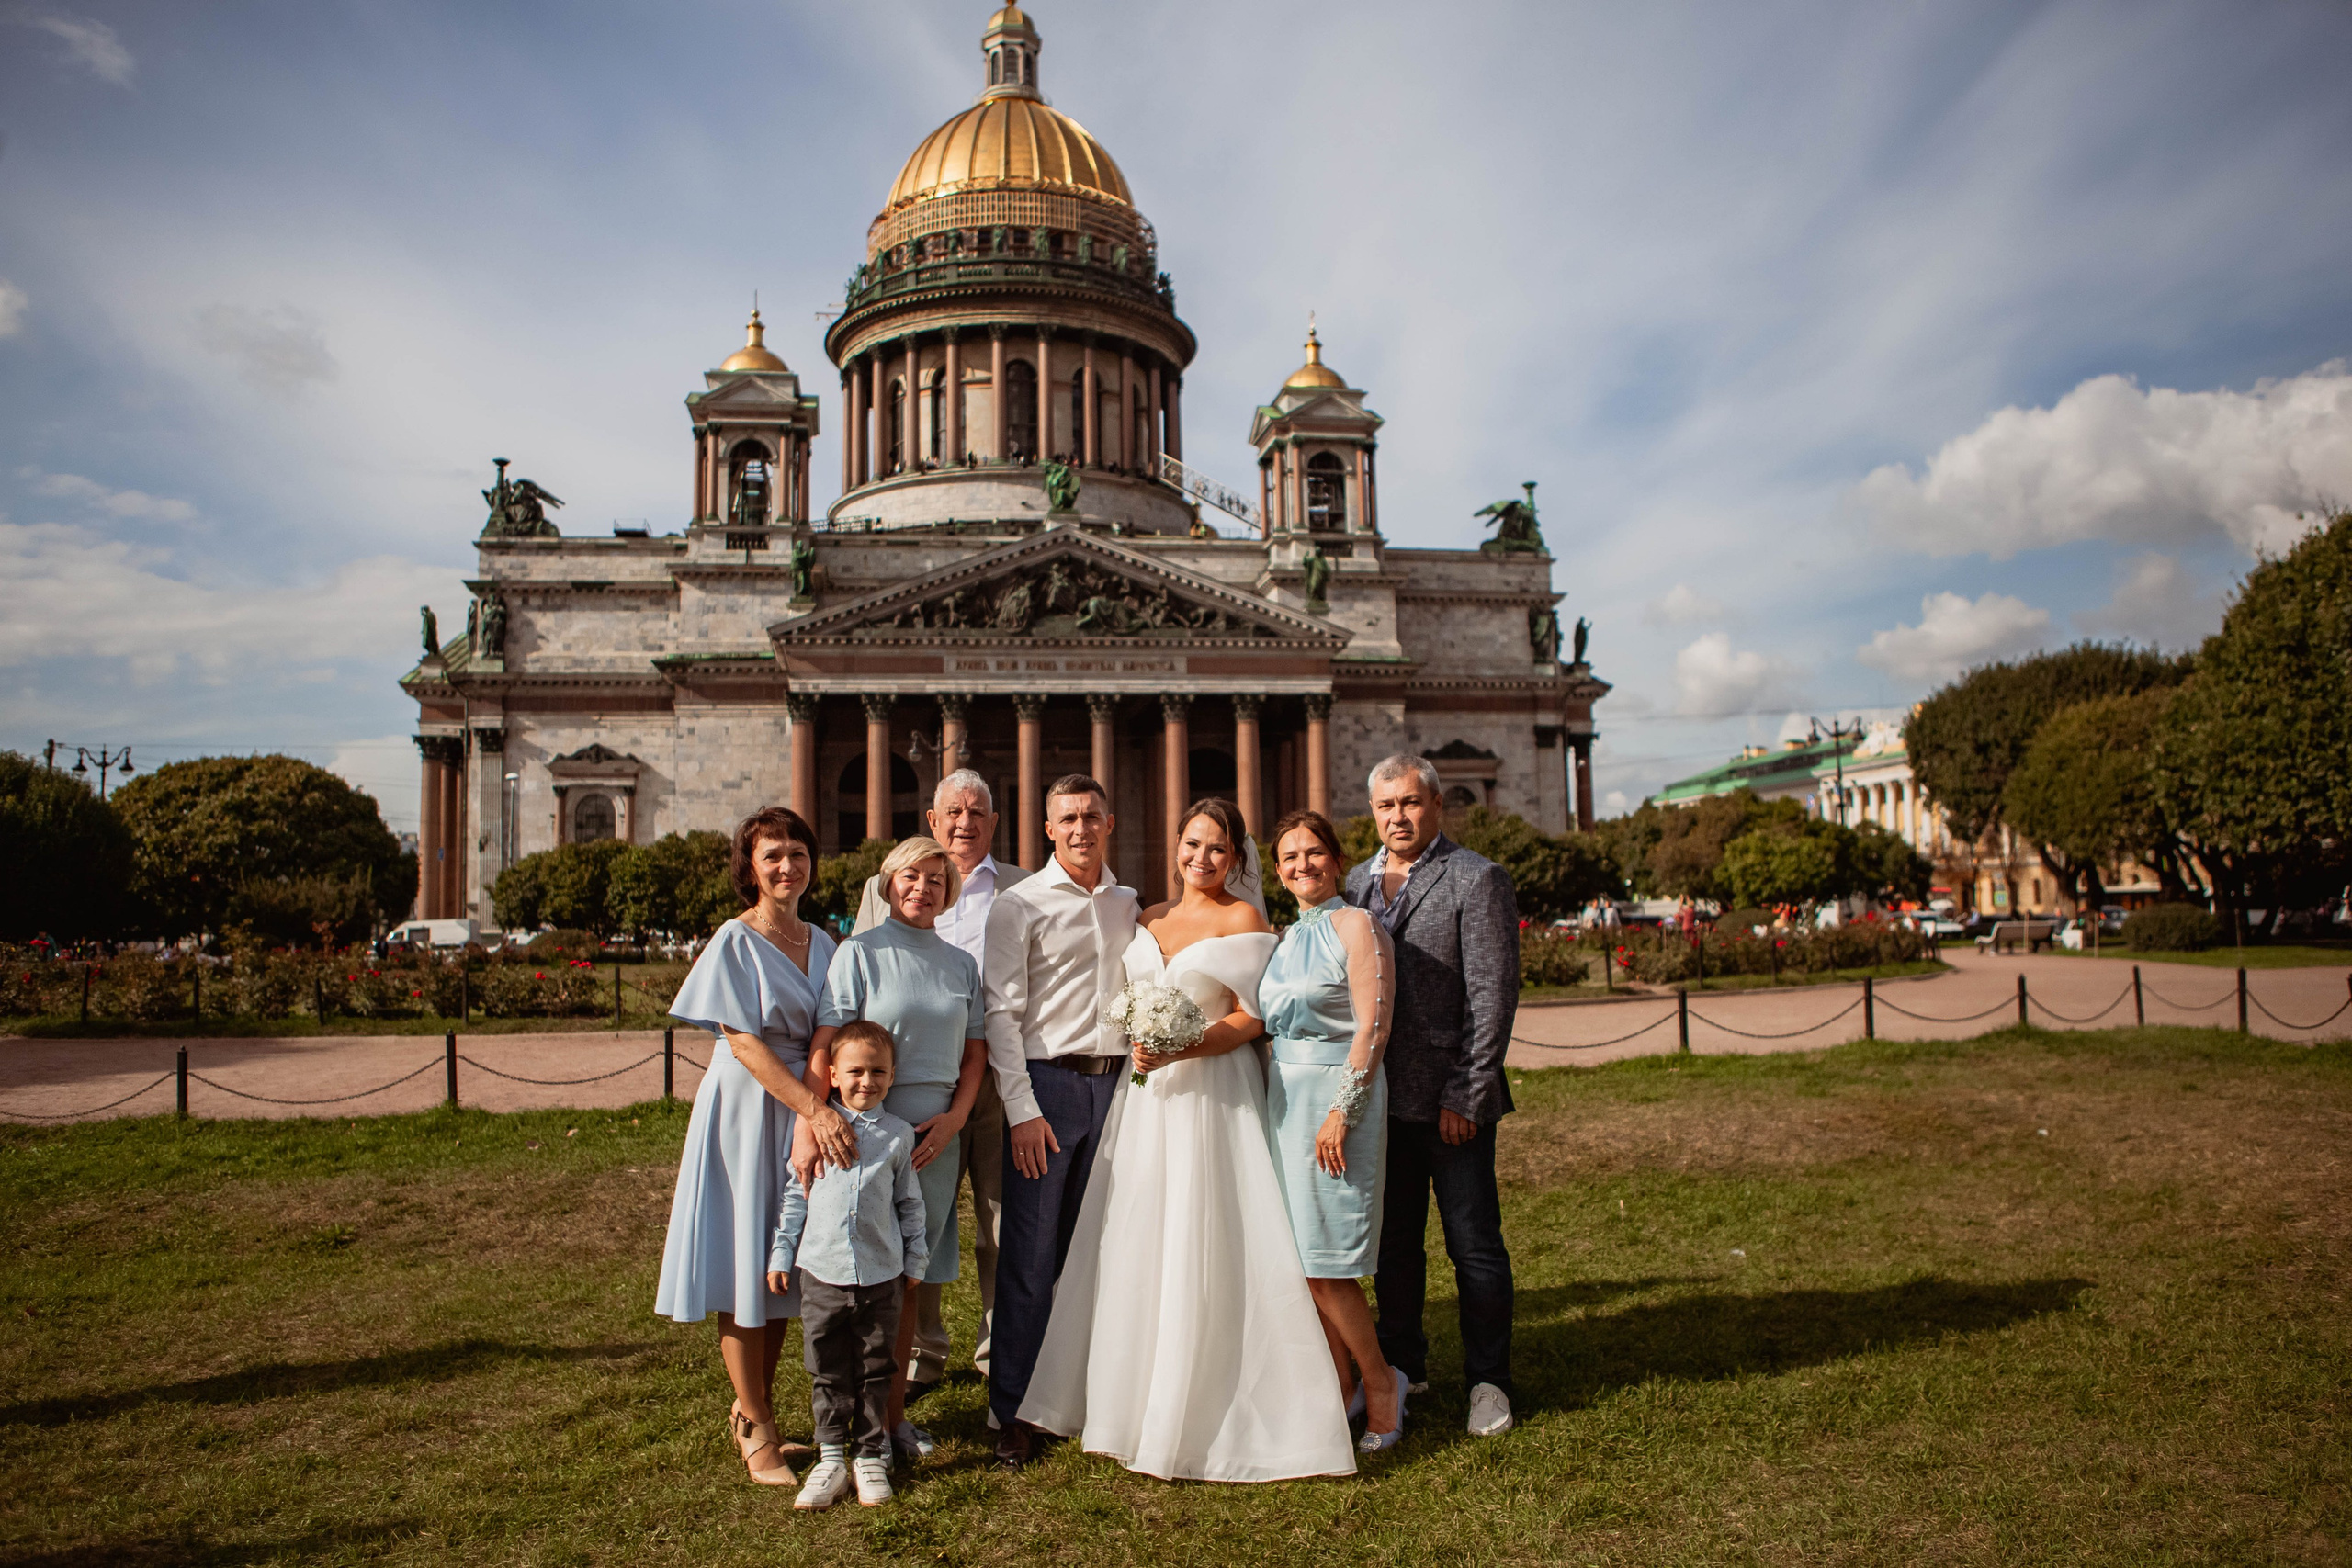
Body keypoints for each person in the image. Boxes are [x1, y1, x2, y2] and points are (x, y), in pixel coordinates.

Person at [1017, 798, 1356, 1482]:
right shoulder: (1147, 918)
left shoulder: (1245, 919)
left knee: (1214, 1233)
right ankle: (1131, 1398)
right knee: (1138, 1237)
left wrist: (1185, 1045)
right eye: (1193, 844)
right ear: (1177, 844)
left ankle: (1216, 1394)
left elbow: (1251, 1018)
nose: (1202, 859)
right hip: (1146, 1104)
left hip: (1213, 1093)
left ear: (1236, 858)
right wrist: (1145, 1047)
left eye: (1218, 848)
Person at [656, 806, 852, 1486]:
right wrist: (812, 1110)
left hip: (805, 1103)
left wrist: (817, 1104)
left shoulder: (825, 941)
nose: (787, 865)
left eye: (798, 852)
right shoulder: (733, 942)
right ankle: (754, 1423)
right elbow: (741, 1041)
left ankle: (755, 1409)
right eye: (772, 854)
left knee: (779, 1268)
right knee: (745, 1260)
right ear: (751, 866)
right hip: (749, 1106)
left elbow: (830, 1029)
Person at [1345, 754, 1521, 1438]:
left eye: (1411, 802)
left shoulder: (1476, 879)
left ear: (1437, 806)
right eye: (1387, 805)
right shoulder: (1356, 882)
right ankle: (1402, 1366)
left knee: (1473, 1246)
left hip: (1451, 1108)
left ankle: (1489, 1380)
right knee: (1394, 1248)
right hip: (1383, 1104)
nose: (1399, 816)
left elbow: (1493, 998)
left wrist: (1467, 1094)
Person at [808, 836, 987, 1467]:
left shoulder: (962, 964)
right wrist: (814, 1116)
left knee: (906, 1280)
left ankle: (891, 1419)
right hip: (865, 1134)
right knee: (856, 1279)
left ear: (949, 889)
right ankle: (847, 1424)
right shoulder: (859, 952)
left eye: (937, 878)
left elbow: (974, 1056)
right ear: (888, 883)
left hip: (934, 1140)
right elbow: (829, 1042)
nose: (923, 887)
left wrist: (954, 1122)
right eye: (911, 875)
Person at [851, 770, 1028, 1403]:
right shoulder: (887, 890)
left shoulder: (1023, 887)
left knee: (1000, 1222)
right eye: (952, 810)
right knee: (914, 1219)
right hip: (913, 1091)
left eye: (977, 810)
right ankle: (920, 1350)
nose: (964, 820)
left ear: (993, 822)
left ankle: (996, 1348)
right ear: (932, 820)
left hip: (999, 1080)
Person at [980, 775, 1138, 1467]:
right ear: (1048, 827)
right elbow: (1001, 1015)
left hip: (1117, 1088)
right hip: (1046, 1089)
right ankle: (1010, 1408)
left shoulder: (1129, 902)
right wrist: (1020, 1110)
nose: (1080, 828)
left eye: (1091, 815)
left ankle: (1076, 1394)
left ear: (1111, 821)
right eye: (1067, 818)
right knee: (1031, 1256)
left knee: (1095, 1251)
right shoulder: (1019, 905)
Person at [1262, 808, 1406, 1453]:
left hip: (1336, 1102)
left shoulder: (1359, 925)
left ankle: (1382, 1384)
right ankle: (1340, 1386)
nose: (1302, 865)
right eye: (1289, 856)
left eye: (1313, 852)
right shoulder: (1287, 936)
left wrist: (1341, 1110)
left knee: (1327, 1261)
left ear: (1335, 856)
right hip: (1285, 1103)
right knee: (1301, 1260)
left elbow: (1373, 1027)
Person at [768, 1021, 928, 1511]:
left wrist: (915, 1256)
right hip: (822, 1273)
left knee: (877, 1366)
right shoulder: (817, 1132)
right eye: (855, 1071)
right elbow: (796, 1197)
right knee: (828, 1367)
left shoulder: (899, 1137)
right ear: (833, 1074)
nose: (867, 1081)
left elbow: (909, 1204)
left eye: (878, 1071)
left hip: (882, 1276)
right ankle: (831, 1456)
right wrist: (781, 1252)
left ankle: (871, 1454)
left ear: (893, 1075)